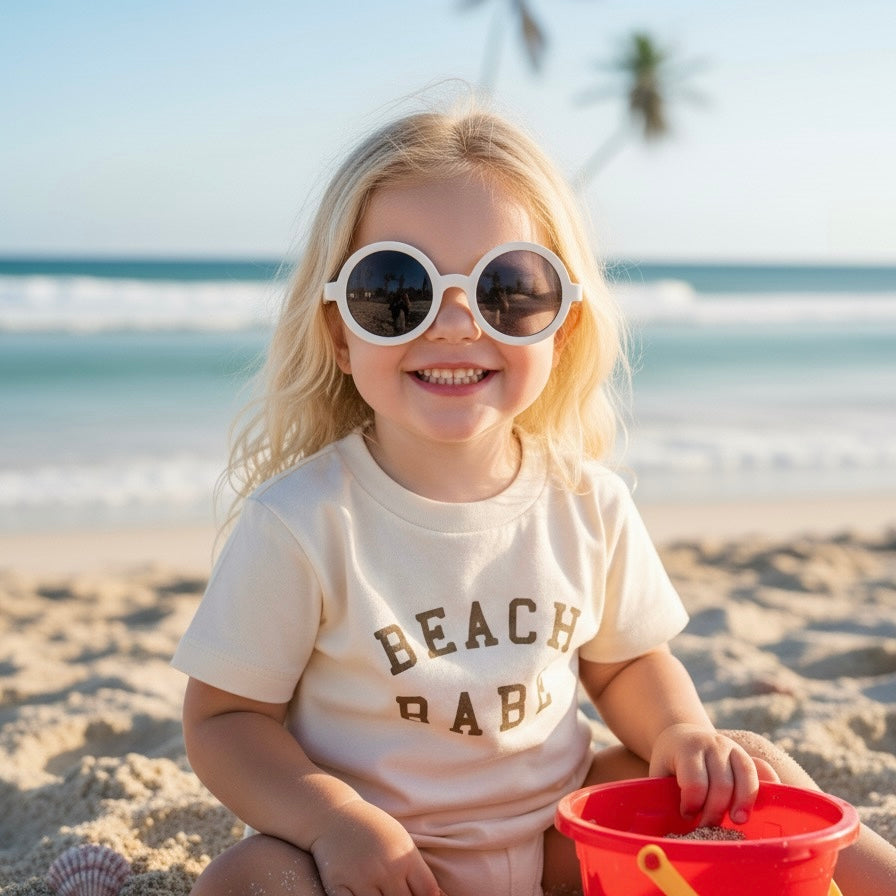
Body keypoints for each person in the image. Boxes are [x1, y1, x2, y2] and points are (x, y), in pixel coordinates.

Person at [172, 99, 896, 896]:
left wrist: (681, 732)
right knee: (249, 879)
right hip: (380, 866)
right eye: (396, 288)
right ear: (341, 334)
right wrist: (335, 821)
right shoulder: (303, 521)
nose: (453, 324)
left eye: (508, 289)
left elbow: (624, 668)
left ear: (561, 331)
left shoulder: (588, 502)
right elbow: (225, 722)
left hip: (566, 844)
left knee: (745, 766)